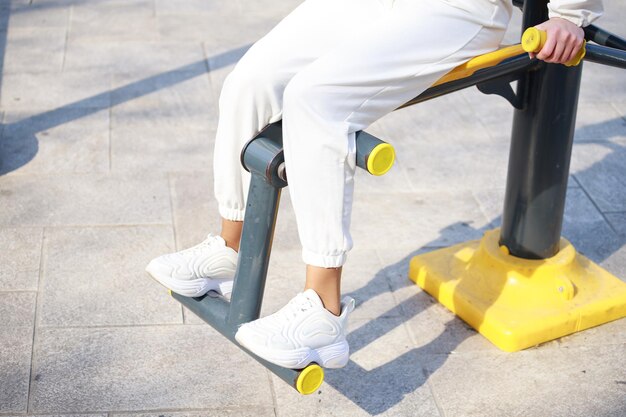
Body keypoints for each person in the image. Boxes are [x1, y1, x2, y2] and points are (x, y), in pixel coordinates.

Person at [146, 0, 603, 370]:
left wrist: (569, 14)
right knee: (249, 81)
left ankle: (323, 312)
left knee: (316, 100)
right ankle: (229, 246)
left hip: (457, 8)